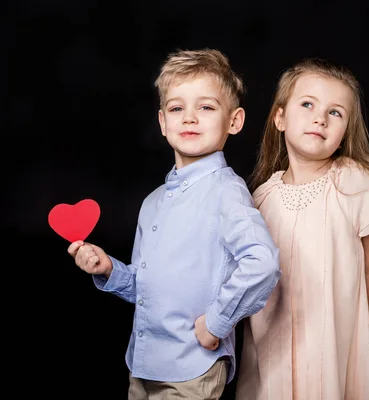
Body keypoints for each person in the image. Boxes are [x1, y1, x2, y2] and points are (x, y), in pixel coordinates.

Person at [67, 48, 281, 400]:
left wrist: (217, 322)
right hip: (143, 363)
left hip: (193, 366)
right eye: (178, 108)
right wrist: (108, 269)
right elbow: (148, 288)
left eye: (206, 107)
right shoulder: (152, 204)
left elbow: (263, 263)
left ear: (235, 120)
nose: (190, 118)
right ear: (163, 122)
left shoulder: (226, 192)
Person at [235, 58, 369, 400]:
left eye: (335, 112)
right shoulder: (260, 199)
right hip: (272, 349)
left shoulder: (353, 183)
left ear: (346, 131)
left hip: (331, 348)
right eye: (307, 104)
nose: (320, 117)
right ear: (280, 118)